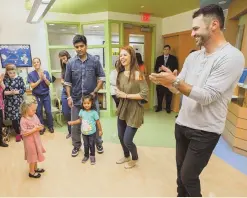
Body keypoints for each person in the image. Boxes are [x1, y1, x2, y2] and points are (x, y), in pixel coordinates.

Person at [149, 4, 245, 197]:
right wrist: (167, 82)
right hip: (183, 124)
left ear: (214, 25)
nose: (192, 34)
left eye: (195, 29)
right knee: (180, 174)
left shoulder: (232, 57)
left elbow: (207, 96)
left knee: (188, 176)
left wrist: (175, 81)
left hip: (206, 130)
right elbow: (180, 88)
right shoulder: (193, 57)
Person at [64, 34, 105, 157]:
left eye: (82, 46)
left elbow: (101, 78)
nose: (79, 49)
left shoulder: (95, 61)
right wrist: (69, 97)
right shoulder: (70, 63)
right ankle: (76, 146)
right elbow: (67, 83)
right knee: (76, 124)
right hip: (76, 100)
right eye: (77, 47)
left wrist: (94, 92)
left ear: (86, 46)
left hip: (91, 100)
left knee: (95, 122)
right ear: (74, 48)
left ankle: (98, 143)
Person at [115, 46, 148, 169]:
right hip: (123, 109)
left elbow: (144, 93)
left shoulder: (137, 74)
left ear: (131, 57)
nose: (122, 57)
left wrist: (126, 95)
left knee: (127, 139)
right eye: (121, 55)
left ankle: (134, 158)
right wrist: (118, 92)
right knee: (120, 136)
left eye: (125, 55)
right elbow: (120, 90)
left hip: (134, 110)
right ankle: (126, 156)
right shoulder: (120, 74)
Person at [68, 95, 103, 165]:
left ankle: (92, 156)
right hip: (84, 133)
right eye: (84, 103)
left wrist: (100, 130)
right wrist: (72, 122)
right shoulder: (81, 112)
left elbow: (98, 122)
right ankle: (86, 156)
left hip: (92, 133)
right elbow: (80, 121)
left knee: (91, 145)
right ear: (82, 104)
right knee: (86, 145)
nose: (86, 105)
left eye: (88, 103)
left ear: (91, 103)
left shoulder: (94, 113)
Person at [27, 58, 54, 134]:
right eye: (34, 62)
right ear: (33, 64)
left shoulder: (46, 72)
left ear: (40, 63)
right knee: (38, 112)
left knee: (48, 111)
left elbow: (49, 84)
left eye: (37, 62)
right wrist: (40, 79)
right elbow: (32, 86)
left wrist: (44, 78)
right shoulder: (31, 74)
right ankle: (41, 127)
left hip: (46, 95)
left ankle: (50, 126)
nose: (36, 63)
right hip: (37, 95)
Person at [20, 99, 46, 178]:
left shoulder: (34, 116)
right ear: (26, 109)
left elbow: (39, 124)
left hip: (36, 139)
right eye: (33, 110)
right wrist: (34, 129)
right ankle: (31, 172)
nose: (35, 112)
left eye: (35, 110)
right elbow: (24, 132)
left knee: (36, 154)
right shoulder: (23, 120)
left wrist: (41, 127)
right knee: (32, 156)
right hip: (29, 142)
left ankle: (35, 168)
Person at [4, 64, 26, 142]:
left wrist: (16, 92)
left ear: (15, 71)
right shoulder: (5, 79)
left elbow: (23, 89)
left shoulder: (19, 78)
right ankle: (17, 133)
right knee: (14, 119)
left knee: (21, 117)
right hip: (10, 103)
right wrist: (10, 92)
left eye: (13, 72)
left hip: (18, 101)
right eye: (10, 73)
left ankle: (23, 132)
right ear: (7, 72)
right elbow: (3, 92)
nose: (12, 74)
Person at [154, 45, 178, 113]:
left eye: (167, 49)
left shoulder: (173, 58)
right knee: (159, 94)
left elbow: (176, 68)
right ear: (163, 50)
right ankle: (159, 107)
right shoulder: (159, 58)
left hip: (169, 79)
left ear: (169, 50)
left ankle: (168, 108)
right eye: (164, 49)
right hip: (160, 78)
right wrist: (160, 69)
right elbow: (156, 68)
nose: (166, 50)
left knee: (169, 94)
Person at [175, 50, 196, 118]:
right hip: (184, 87)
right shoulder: (187, 66)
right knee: (182, 102)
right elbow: (180, 78)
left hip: (194, 90)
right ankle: (180, 114)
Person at [59, 50, 72, 139]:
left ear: (68, 56)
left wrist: (66, 82)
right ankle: (70, 131)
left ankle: (77, 132)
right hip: (64, 91)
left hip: (73, 91)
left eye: (64, 58)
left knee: (75, 113)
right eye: (61, 59)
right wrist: (63, 81)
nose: (63, 61)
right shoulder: (63, 68)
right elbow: (62, 80)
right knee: (66, 112)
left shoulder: (73, 65)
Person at [0, 73, 8, 147]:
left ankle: (1, 141)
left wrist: (1, 80)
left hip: (0, 106)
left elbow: (4, 87)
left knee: (0, 124)